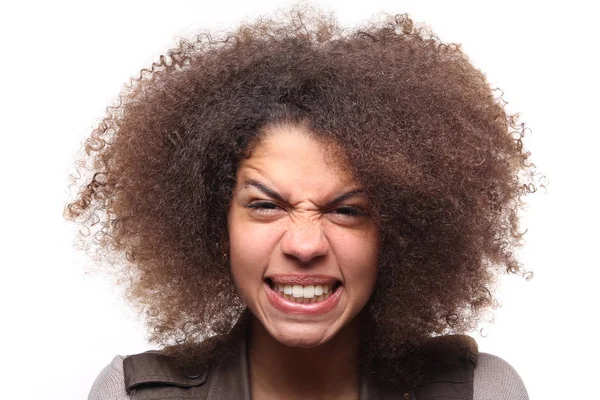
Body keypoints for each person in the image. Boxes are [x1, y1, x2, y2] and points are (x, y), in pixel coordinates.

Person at [65, 5, 536, 399]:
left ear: (396, 237)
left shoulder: (479, 390)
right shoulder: (131, 396)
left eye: (346, 210)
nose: (305, 245)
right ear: (216, 227)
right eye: (266, 205)